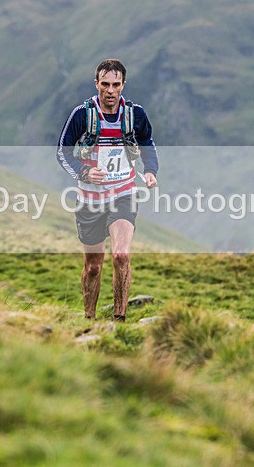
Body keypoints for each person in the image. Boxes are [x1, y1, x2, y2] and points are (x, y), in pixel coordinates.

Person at [57, 59, 159, 322]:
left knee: (121, 256)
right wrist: (84, 172)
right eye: (105, 84)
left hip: (124, 193)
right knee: (93, 267)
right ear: (97, 84)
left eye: (116, 84)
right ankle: (89, 319)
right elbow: (62, 151)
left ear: (123, 84)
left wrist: (150, 170)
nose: (111, 90)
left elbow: (147, 142)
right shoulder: (83, 114)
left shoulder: (135, 114)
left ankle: (119, 320)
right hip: (89, 198)